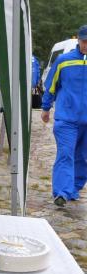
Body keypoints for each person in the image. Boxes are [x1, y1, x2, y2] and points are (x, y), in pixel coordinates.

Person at [41, 25, 87, 207]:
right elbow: (51, 85)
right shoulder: (63, 61)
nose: (86, 45)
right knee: (65, 154)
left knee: (83, 157)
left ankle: (73, 188)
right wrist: (45, 107)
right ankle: (62, 192)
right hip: (66, 119)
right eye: (84, 41)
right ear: (78, 40)